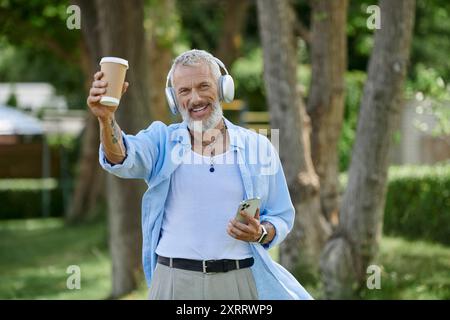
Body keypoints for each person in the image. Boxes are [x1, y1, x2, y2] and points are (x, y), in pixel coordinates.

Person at [87, 49, 312, 300]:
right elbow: (120, 156)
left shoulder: (259, 147)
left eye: (203, 86)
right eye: (184, 91)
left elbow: (281, 215)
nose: (195, 98)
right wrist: (106, 119)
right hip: (174, 282)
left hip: (239, 281)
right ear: (174, 99)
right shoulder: (162, 140)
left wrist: (260, 233)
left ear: (224, 87)